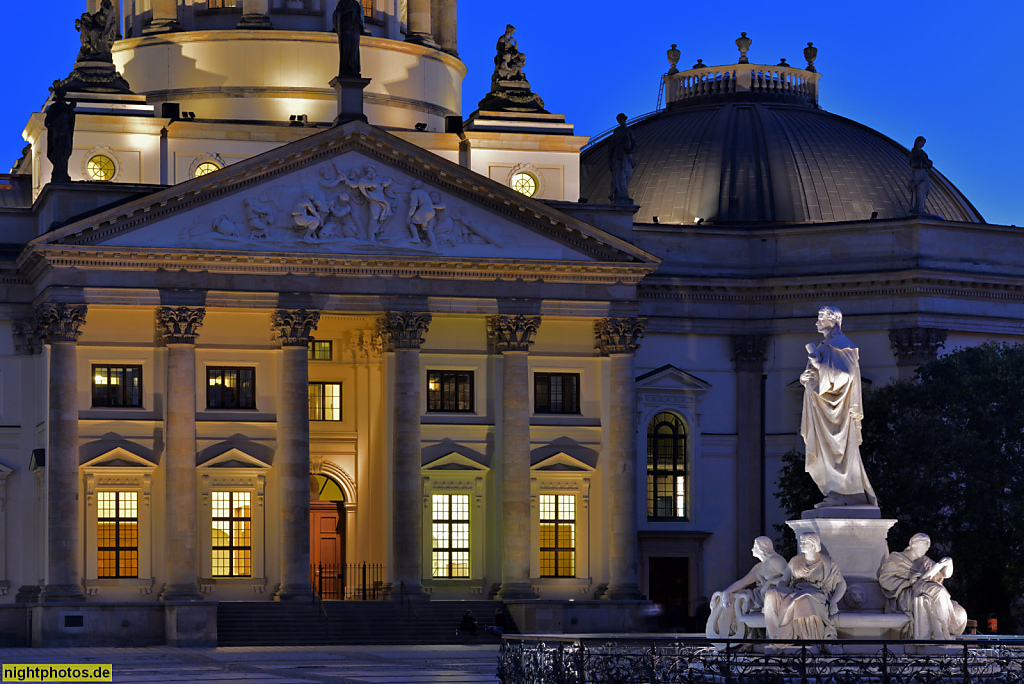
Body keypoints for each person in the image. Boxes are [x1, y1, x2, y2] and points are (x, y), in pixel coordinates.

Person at [800, 306, 878, 507]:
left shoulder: (842, 345)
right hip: (822, 409)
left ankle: (847, 493)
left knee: (839, 452)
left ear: (833, 320)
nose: (817, 321)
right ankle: (835, 492)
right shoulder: (824, 346)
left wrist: (820, 367)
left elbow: (846, 375)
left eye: (821, 317)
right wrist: (805, 377)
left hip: (838, 411)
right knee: (827, 452)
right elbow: (817, 376)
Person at [878, 533, 967, 640]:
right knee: (937, 590)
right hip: (907, 593)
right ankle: (939, 633)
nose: (925, 549)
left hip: (928, 591)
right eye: (923, 545)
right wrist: (908, 582)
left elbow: (944, 575)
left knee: (959, 611)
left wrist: (948, 563)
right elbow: (886, 580)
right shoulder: (897, 559)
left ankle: (940, 632)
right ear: (912, 543)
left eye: (927, 547)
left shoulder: (926, 561)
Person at [764, 532, 846, 641]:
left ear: (813, 544)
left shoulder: (827, 563)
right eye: (801, 541)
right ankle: (775, 637)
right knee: (771, 593)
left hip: (816, 593)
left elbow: (842, 584)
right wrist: (777, 592)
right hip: (795, 590)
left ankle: (807, 640)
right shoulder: (795, 561)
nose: (801, 544)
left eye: (804, 542)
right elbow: (784, 581)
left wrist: (834, 601)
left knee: (804, 598)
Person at [706, 536, 787, 640]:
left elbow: (790, 577)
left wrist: (770, 582)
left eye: (754, 547)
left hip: (774, 596)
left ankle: (737, 634)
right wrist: (726, 592)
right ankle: (729, 633)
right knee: (733, 596)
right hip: (760, 596)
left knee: (741, 599)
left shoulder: (775, 560)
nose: (752, 549)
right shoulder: (758, 567)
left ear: (762, 548)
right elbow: (743, 582)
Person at [45, 84, 76, 184]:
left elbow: (71, 120)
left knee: (66, 150)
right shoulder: (53, 107)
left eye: (63, 94)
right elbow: (47, 123)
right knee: (57, 151)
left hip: (65, 131)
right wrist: (55, 124)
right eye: (60, 94)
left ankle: (62, 170)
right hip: (57, 133)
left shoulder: (66, 107)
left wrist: (69, 111)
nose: (61, 96)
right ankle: (58, 170)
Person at [608, 113, 638, 204]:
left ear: (624, 120)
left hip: (627, 155)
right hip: (617, 155)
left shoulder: (629, 131)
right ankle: (620, 193)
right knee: (619, 174)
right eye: (618, 120)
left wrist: (632, 149)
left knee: (628, 174)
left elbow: (633, 142)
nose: (620, 122)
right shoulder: (617, 131)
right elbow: (611, 145)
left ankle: (622, 192)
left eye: (621, 120)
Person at [333, 0, 364, 78]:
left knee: (354, 49)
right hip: (346, 28)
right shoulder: (342, 3)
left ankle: (353, 66)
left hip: (355, 29)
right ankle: (345, 67)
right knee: (347, 48)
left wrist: (359, 21)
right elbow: (337, 14)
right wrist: (348, 11)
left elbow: (360, 17)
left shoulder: (356, 4)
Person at [908, 136, 932, 215]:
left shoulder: (923, 153)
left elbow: (929, 162)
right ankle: (918, 208)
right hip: (918, 173)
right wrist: (922, 164)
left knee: (926, 190)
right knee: (919, 189)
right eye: (922, 143)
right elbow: (913, 163)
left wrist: (927, 163)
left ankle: (921, 207)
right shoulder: (914, 152)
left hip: (924, 172)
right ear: (918, 142)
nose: (923, 145)